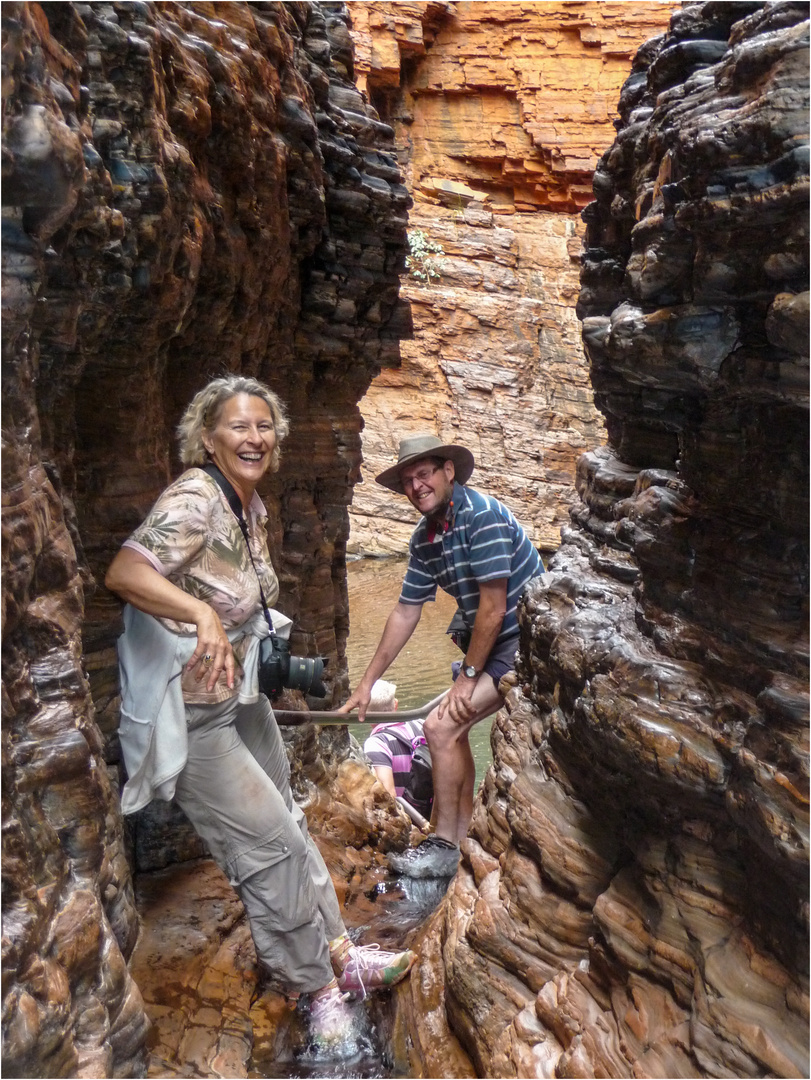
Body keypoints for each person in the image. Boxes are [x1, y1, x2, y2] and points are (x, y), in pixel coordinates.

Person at [105, 375, 414, 1057]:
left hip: (238, 699)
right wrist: (201, 614)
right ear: (207, 437)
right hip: (189, 716)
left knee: (290, 822)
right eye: (237, 427)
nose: (253, 438)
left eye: (263, 426)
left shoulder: (249, 505)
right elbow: (126, 572)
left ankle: (339, 952)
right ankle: (314, 990)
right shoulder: (193, 497)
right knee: (266, 847)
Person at [339, 434, 545, 877]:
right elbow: (404, 612)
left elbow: (494, 606)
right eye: (408, 480)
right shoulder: (426, 539)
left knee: (442, 724)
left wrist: (468, 677)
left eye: (425, 474)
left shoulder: (481, 517)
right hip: (491, 642)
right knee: (451, 727)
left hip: (529, 639)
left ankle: (443, 844)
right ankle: (459, 833)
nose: (417, 486)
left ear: (448, 472)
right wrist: (366, 684)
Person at [362, 680, 434, 828]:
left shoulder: (376, 743)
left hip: (412, 823)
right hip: (436, 812)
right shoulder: (422, 725)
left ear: (364, 712)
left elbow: (389, 795)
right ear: (395, 704)